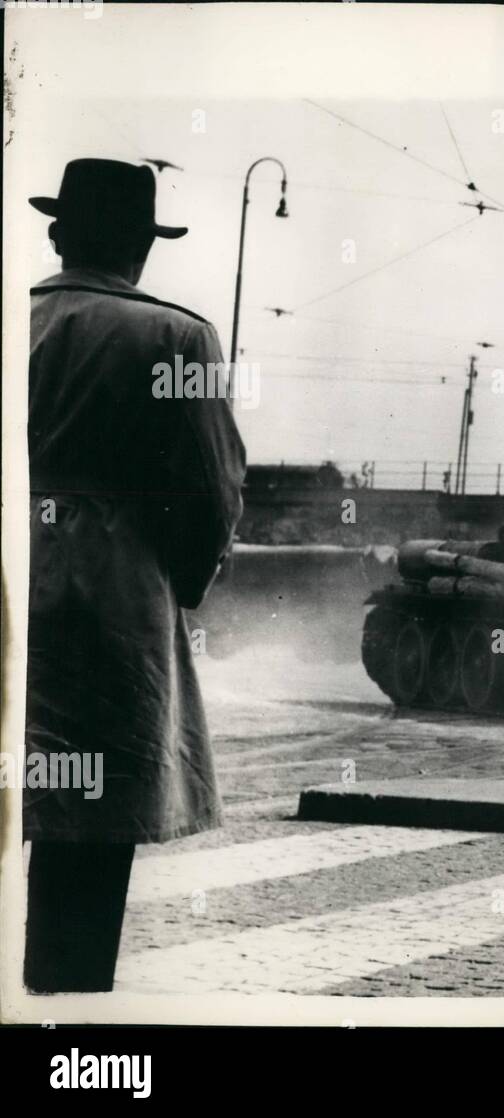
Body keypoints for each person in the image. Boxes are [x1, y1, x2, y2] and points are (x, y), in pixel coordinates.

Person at [24, 159, 246, 992]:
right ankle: (64, 1008)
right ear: (140, 250)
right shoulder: (177, 338)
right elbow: (214, 488)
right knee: (87, 812)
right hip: (108, 599)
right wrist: (179, 580)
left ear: (57, 233)